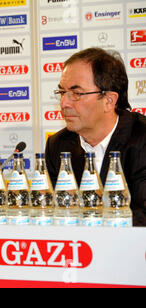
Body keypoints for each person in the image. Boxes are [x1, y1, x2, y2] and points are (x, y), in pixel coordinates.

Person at [45, 47, 146, 226]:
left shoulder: (142, 138)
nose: (64, 103)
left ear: (108, 100)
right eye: (62, 92)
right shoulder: (58, 145)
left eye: (76, 93)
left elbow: (142, 215)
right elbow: (53, 211)